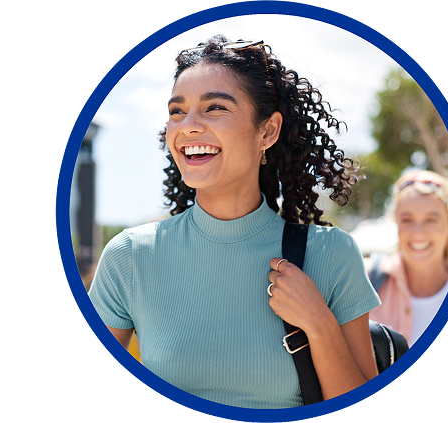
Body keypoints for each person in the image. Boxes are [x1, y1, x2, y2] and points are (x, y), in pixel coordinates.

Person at [88, 35, 381, 409]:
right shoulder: (130, 255)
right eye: (177, 111)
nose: (187, 126)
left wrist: (319, 324)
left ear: (268, 131)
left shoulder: (332, 254)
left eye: (214, 108)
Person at [367, 170, 448, 346]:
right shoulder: (363, 280)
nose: (418, 233)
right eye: (407, 220)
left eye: (431, 220)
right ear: (396, 223)